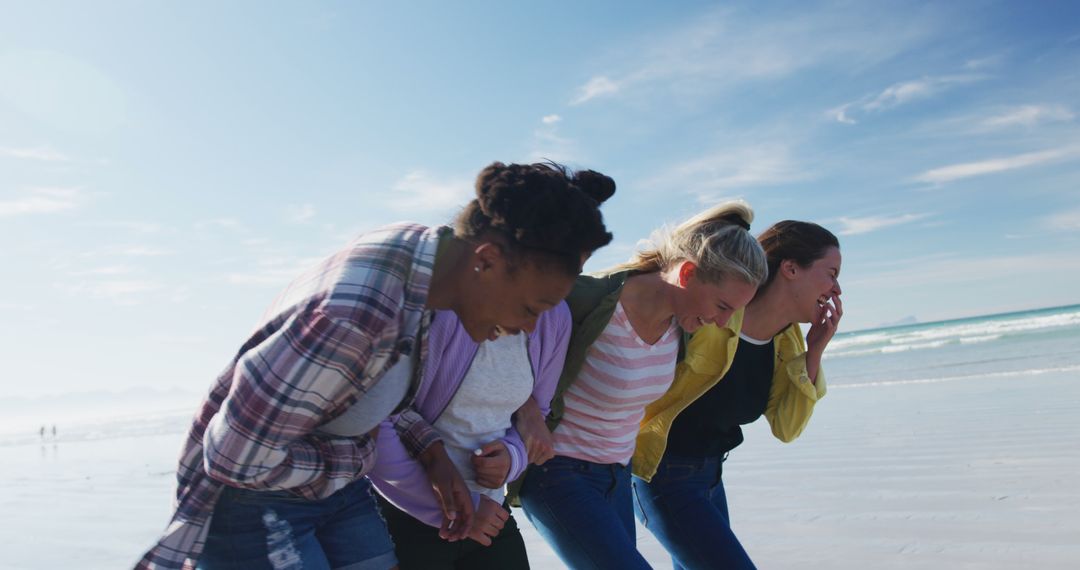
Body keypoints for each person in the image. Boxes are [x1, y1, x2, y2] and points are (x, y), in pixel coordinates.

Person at [135, 161, 614, 570]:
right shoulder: (352, 319)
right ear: (486, 261)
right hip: (249, 503)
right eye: (530, 309)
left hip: (333, 490)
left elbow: (368, 392)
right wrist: (358, 458)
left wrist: (431, 451)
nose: (527, 330)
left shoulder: (429, 261)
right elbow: (232, 457)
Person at [366, 171, 613, 569]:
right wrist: (447, 508)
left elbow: (535, 417)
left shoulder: (553, 321)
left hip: (489, 509)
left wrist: (512, 459)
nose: (567, 281)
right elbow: (382, 416)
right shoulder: (442, 305)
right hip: (405, 506)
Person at [513, 202, 768, 570]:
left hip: (616, 476)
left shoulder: (683, 329)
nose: (722, 321)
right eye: (722, 305)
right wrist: (527, 414)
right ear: (688, 273)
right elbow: (499, 347)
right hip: (558, 472)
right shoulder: (587, 300)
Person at [631, 220, 843, 570]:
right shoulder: (708, 312)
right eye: (831, 273)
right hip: (662, 476)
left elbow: (786, 428)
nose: (836, 290)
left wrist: (814, 351)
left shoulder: (785, 343)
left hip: (712, 480)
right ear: (790, 268)